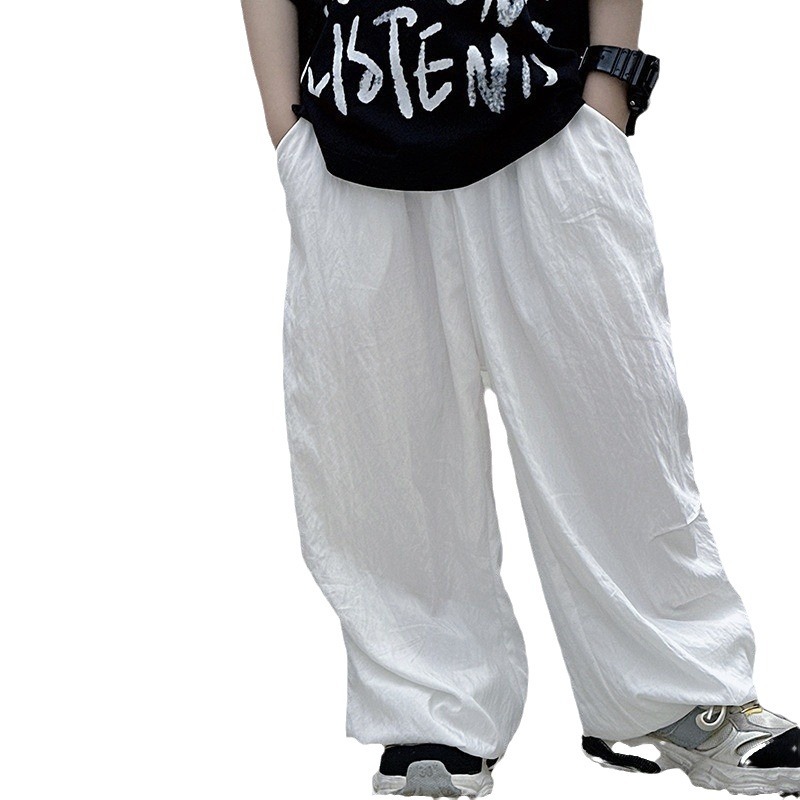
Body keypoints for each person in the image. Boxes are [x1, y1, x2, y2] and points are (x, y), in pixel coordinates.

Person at [241, 0, 800, 796]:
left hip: (550, 110)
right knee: (381, 450)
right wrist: (285, 122)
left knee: (616, 425)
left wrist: (611, 84)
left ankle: (683, 693)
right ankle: (432, 714)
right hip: (349, 134)